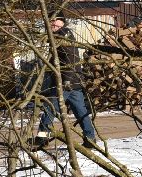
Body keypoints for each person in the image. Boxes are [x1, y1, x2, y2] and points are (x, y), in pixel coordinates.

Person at [33, 14, 99, 150]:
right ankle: (90, 138)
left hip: (65, 83)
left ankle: (41, 139)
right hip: (74, 82)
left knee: (49, 110)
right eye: (50, 21)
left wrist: (67, 80)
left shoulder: (63, 35)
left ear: (62, 21)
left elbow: (70, 59)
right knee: (81, 112)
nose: (52, 23)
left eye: (54, 21)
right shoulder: (63, 34)